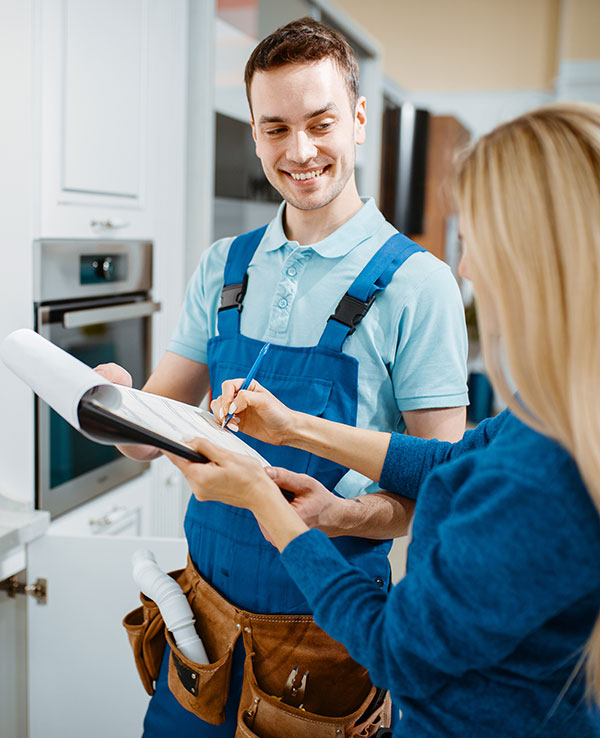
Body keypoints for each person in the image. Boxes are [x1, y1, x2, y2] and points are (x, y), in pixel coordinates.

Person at [167, 102, 600, 737]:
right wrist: (293, 429)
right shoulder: (555, 418)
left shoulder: (539, 477)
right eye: (275, 127)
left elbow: (398, 649)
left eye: (478, 240)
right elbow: (452, 462)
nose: (471, 268)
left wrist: (264, 498)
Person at [98, 17, 468, 736]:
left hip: (326, 641)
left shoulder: (419, 286)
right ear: (255, 130)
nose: (299, 152)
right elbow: (150, 436)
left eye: (320, 123)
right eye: (274, 129)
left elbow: (443, 492)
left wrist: (340, 514)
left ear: (359, 121)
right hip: (196, 631)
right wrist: (110, 404)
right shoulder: (223, 265)